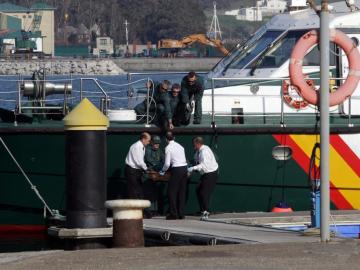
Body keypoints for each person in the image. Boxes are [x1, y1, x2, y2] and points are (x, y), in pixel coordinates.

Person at [188, 136, 218, 220]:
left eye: (194, 144)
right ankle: (202, 210)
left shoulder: (204, 152)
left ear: (198, 144)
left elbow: (204, 166)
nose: (193, 146)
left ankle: (206, 212)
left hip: (211, 173)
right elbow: (195, 159)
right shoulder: (199, 151)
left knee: (204, 193)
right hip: (205, 174)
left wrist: (192, 168)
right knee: (198, 190)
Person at [160, 132, 188, 220]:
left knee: (171, 192)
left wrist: (162, 171)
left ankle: (173, 214)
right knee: (182, 191)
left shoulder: (168, 148)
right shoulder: (180, 146)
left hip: (176, 169)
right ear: (174, 138)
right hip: (184, 168)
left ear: (166, 139)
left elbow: (167, 163)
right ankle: (181, 213)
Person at [125, 132, 151, 199]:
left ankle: (138, 208)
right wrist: (146, 169)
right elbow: (139, 162)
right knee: (134, 191)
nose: (149, 142)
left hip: (136, 171)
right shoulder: (137, 147)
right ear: (143, 139)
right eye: (148, 141)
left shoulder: (142, 147)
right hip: (131, 171)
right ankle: (135, 208)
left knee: (138, 191)